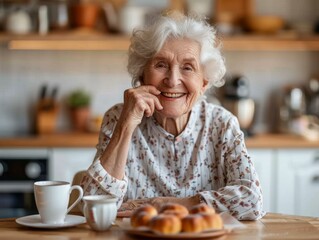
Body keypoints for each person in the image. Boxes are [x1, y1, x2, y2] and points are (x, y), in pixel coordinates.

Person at [80, 12, 265, 220]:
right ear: (142, 76)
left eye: (188, 67)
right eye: (160, 65)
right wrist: (126, 125)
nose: (172, 80)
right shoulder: (118, 118)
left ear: (204, 83)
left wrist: (169, 204)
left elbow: (252, 200)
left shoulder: (222, 124)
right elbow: (93, 208)